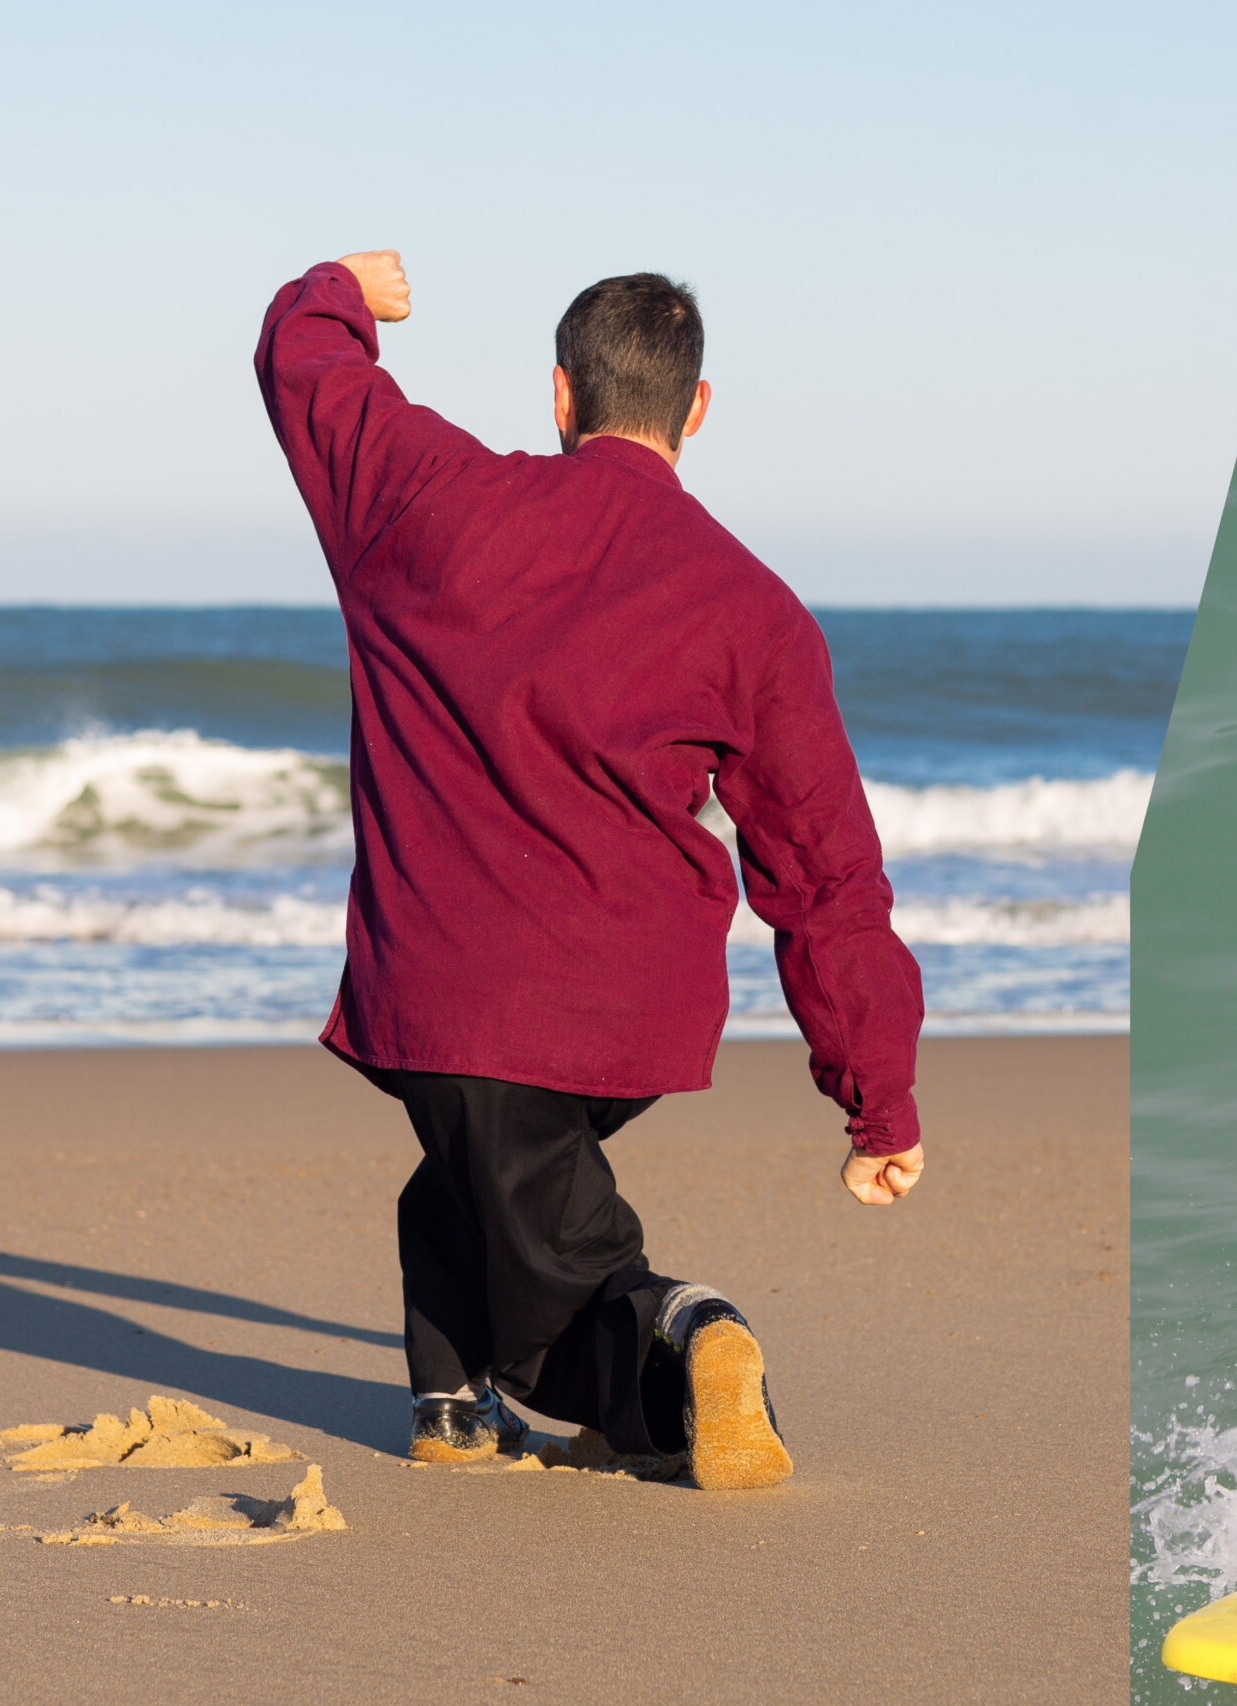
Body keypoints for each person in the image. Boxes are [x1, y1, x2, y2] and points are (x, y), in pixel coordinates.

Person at [255, 251, 926, 1487]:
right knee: (463, 1185)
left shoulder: (428, 496)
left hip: (452, 990)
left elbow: (308, 375)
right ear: (697, 407)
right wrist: (875, 1091)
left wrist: (337, 288)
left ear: (561, 393)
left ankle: (681, 1337)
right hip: (632, 1009)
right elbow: (826, 873)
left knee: (560, 1288)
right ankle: (451, 1405)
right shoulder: (755, 606)